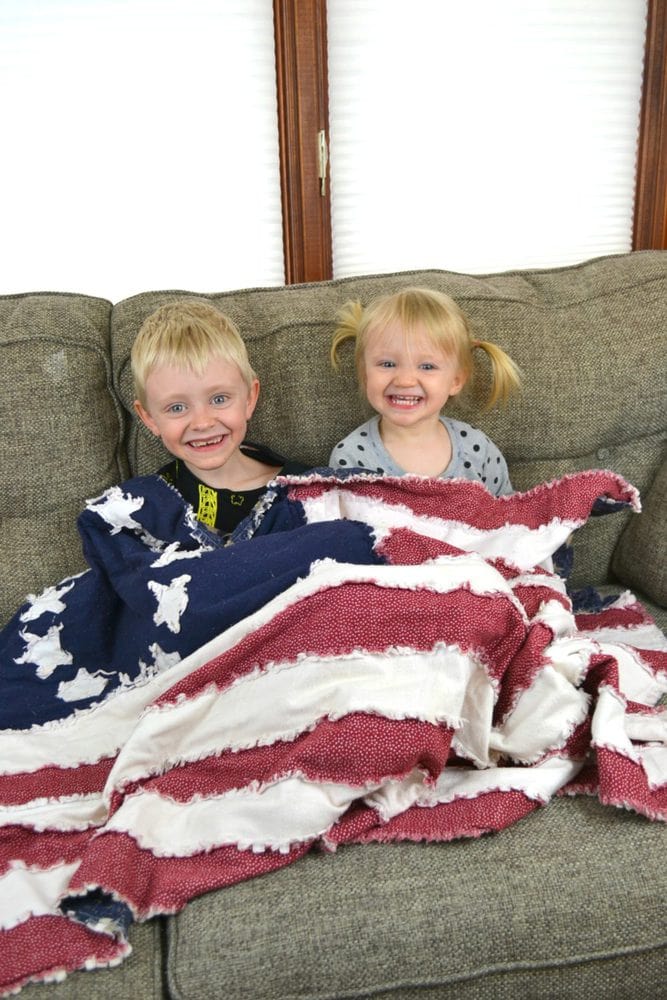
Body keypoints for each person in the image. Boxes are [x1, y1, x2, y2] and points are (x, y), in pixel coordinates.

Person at [132, 300, 309, 536]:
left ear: (249, 398)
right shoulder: (146, 506)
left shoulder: (307, 489)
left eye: (218, 399)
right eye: (176, 407)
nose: (203, 423)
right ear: (149, 418)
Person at [328, 287, 521, 496]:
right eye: (387, 363)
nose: (404, 380)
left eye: (427, 367)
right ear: (365, 375)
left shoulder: (477, 449)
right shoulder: (351, 457)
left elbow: (507, 516)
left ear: (456, 381)